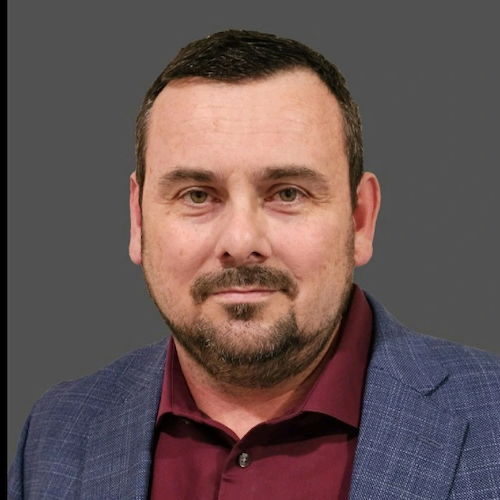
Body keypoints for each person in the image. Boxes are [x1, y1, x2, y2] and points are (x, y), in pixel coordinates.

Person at [8, 29, 500, 500]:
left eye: (287, 193)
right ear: (138, 221)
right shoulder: (55, 433)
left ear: (360, 220)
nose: (241, 242)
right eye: (197, 195)